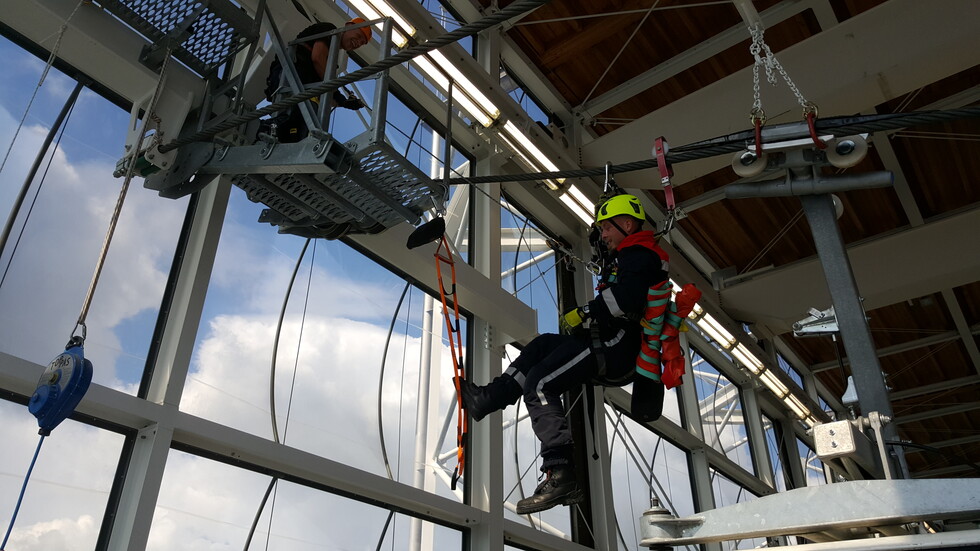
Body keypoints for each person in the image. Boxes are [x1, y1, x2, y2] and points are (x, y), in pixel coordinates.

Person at [459, 193, 669, 515]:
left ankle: (560, 472)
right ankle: (489, 398)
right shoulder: (629, 255)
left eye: (607, 228)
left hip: (619, 345)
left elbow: (625, 299)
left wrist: (585, 312)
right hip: (608, 338)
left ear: (627, 224)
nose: (604, 235)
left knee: (541, 384)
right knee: (541, 345)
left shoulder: (639, 255)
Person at [262, 18, 372, 142]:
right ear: (348, 26)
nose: (358, 43)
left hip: (299, 86)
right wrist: (336, 93)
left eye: (362, 43)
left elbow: (328, 97)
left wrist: (343, 102)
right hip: (290, 77)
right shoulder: (329, 30)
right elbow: (317, 58)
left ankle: (276, 130)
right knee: (292, 119)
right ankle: (271, 127)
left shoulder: (332, 57)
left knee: (298, 129)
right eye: (358, 36)